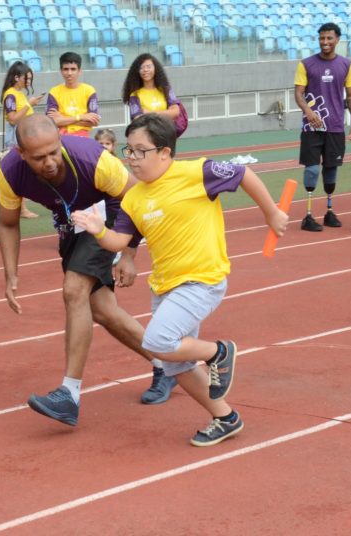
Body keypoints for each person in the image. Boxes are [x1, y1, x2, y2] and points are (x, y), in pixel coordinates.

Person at [72, 114, 288, 446]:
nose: (132, 158)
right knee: (176, 364)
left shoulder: (196, 173)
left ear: (165, 152)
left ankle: (219, 351)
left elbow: (243, 174)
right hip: (165, 285)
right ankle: (225, 417)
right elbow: (120, 241)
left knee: (158, 342)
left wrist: (271, 212)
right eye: (128, 151)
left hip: (202, 279)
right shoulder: (134, 198)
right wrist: (97, 229)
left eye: (140, 151)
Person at [0, 114, 179, 428]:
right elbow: (7, 223)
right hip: (73, 226)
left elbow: (138, 198)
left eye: (54, 151)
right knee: (103, 310)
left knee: (73, 289)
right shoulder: (10, 171)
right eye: (39, 158)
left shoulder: (92, 159)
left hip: (110, 214)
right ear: (21, 154)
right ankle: (171, 366)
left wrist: (128, 254)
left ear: (60, 140)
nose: (50, 162)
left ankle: (69, 393)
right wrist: (10, 273)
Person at [294, 22, 351, 232]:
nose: (325, 42)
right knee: (312, 170)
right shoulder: (306, 64)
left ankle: (329, 211)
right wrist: (309, 112)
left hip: (335, 127)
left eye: (329, 38)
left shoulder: (347, 65)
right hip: (312, 128)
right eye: (322, 38)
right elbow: (298, 93)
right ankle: (309, 215)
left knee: (331, 170)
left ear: (337, 39)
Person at [0, 60, 42, 219]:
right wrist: (28, 105)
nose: (29, 81)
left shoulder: (19, 94)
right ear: (17, 77)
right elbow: (12, 119)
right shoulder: (10, 94)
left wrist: (31, 104)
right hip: (16, 138)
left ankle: (21, 208)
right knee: (19, 173)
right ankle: (21, 209)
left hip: (24, 135)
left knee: (23, 172)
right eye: (27, 78)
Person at [45, 52, 100, 137]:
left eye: (73, 69)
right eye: (66, 69)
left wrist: (62, 118)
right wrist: (81, 117)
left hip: (82, 137)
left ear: (79, 71)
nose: (69, 73)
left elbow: (94, 122)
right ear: (61, 71)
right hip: (61, 137)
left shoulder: (89, 91)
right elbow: (51, 122)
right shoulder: (54, 92)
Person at [121, 53, 181, 122]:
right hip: (147, 132)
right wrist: (165, 113)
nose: (145, 70)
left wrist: (149, 113)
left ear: (155, 68)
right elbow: (138, 119)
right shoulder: (134, 95)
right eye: (141, 67)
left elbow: (175, 112)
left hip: (165, 131)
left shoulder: (166, 89)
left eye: (148, 66)